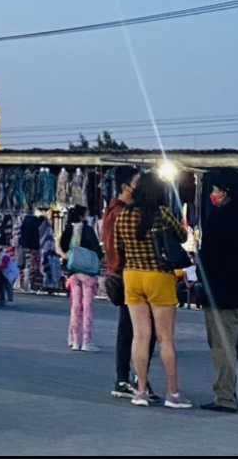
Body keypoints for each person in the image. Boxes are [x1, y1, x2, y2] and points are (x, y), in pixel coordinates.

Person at [115, 170, 191, 408]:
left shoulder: (123, 216)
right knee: (165, 339)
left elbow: (119, 246)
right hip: (158, 276)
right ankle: (174, 394)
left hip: (132, 276)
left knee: (140, 336)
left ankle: (140, 391)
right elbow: (181, 235)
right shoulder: (163, 214)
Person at [103, 166, 159, 400]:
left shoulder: (115, 210)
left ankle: (133, 379)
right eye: (137, 182)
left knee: (135, 330)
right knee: (134, 331)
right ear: (126, 186)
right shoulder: (120, 212)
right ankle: (126, 380)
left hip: (126, 276)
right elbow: (116, 249)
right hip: (129, 276)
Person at [198, 168, 238, 413]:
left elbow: (208, 257)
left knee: (223, 347)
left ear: (225, 192)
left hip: (221, 295)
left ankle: (225, 397)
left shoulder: (219, 218)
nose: (213, 194)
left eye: (214, 190)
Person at [60, 205, 103, 352]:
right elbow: (96, 248)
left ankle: (75, 340)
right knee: (87, 306)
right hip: (87, 272)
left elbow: (62, 246)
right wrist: (100, 256)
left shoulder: (68, 230)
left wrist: (70, 256)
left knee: (75, 306)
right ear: (82, 216)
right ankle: (86, 341)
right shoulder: (88, 230)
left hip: (73, 271)